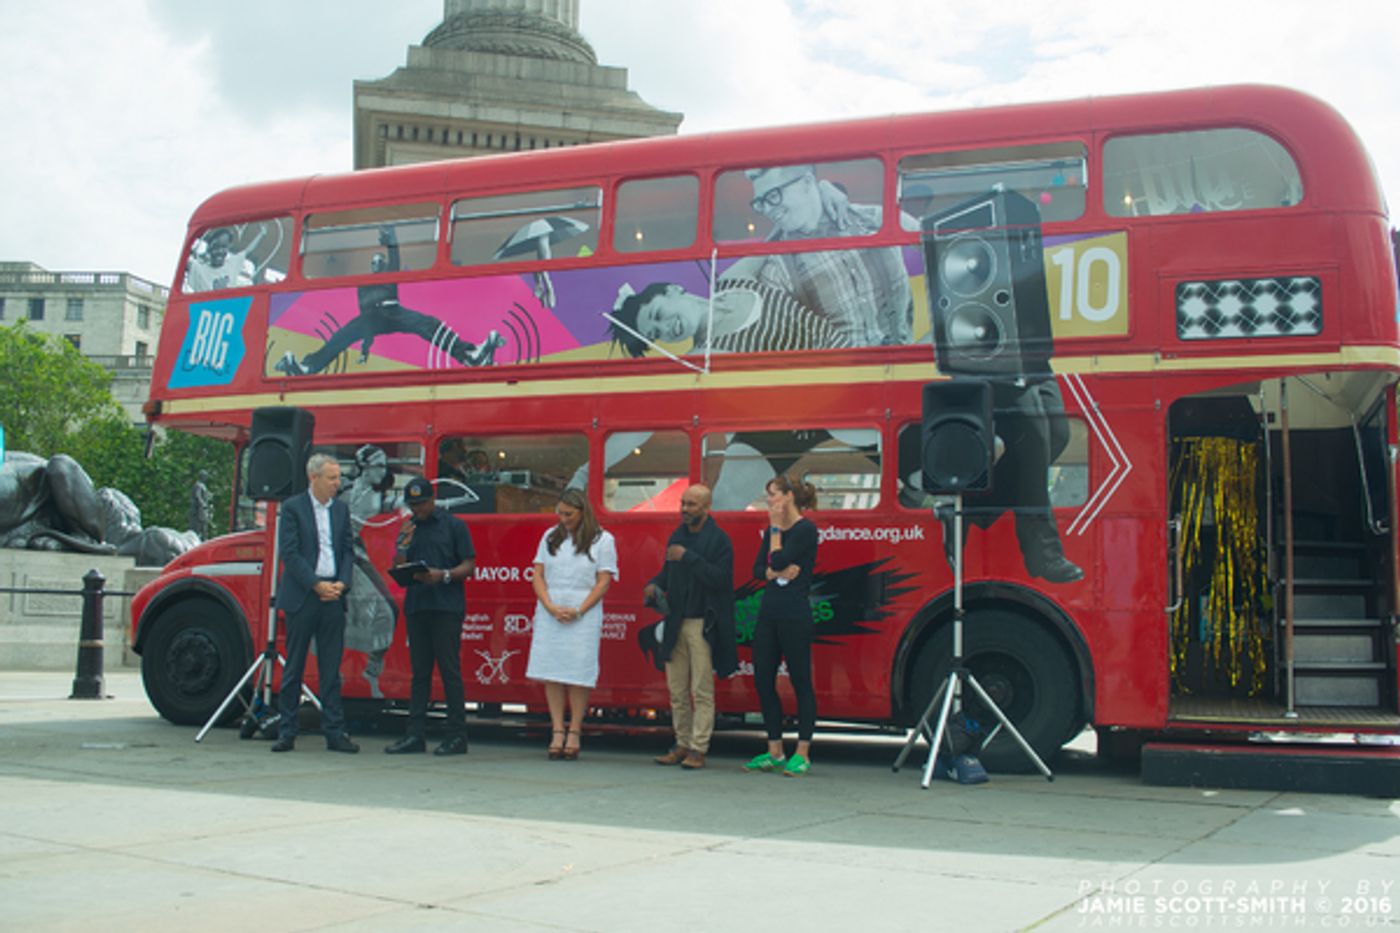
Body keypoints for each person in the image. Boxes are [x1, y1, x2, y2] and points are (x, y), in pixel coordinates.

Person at [720, 164, 912, 347]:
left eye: (773, 195)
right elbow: (729, 285)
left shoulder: (873, 220)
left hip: (905, 372)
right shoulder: (778, 270)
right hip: (846, 378)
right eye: (760, 202)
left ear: (807, 182)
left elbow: (937, 248)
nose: (768, 210)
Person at [275, 226, 505, 376]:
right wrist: (366, 346)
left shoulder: (389, 275)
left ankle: (468, 354)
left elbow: (395, 258)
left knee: (429, 324)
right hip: (371, 318)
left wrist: (391, 241)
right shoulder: (363, 285)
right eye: (374, 262)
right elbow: (362, 310)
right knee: (341, 337)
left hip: (393, 311)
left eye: (379, 261)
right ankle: (309, 366)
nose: (377, 264)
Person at [644, 484, 737, 770]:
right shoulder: (677, 535)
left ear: (706, 508)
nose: (685, 509)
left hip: (702, 624)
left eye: (692, 504)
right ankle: (682, 743)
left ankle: (699, 748)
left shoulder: (719, 541)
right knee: (677, 690)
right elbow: (668, 572)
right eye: (683, 503)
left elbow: (720, 580)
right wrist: (655, 585)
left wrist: (688, 557)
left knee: (702, 690)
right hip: (676, 621)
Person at [271, 453, 359, 753]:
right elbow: (291, 553)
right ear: (314, 478)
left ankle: (335, 732)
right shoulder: (294, 508)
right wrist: (316, 584)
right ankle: (287, 731)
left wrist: (341, 583)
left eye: (338, 478)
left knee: (331, 668)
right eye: (332, 478)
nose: (337, 484)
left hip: (333, 595)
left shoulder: (341, 510)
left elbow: (348, 550)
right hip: (304, 595)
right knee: (294, 665)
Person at [384, 476, 477, 756]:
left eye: (421, 504)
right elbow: (398, 567)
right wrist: (402, 546)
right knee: (420, 673)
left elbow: (469, 565)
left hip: (446, 606)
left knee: (449, 671)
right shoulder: (409, 527)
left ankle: (457, 735)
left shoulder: (454, 526)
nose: (417, 510)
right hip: (418, 605)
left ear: (432, 500)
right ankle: (415, 735)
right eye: (413, 505)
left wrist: (444, 575)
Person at [525, 488, 618, 761]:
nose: (563, 518)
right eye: (560, 513)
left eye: (568, 514)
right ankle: (556, 729)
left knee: (578, 671)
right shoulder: (550, 537)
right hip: (550, 609)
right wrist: (550, 605)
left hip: (583, 612)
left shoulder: (603, 540)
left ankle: (575, 730)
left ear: (582, 512)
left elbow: (603, 581)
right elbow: (538, 575)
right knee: (552, 670)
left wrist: (580, 610)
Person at [745, 473, 820, 777]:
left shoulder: (805, 529)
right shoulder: (769, 533)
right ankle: (774, 748)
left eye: (774, 495)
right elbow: (758, 568)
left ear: (788, 496)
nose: (770, 502)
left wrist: (775, 530)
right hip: (769, 610)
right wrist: (775, 573)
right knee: (763, 678)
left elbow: (775, 560)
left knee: (801, 679)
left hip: (795, 613)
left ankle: (802, 751)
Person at [607, 279, 852, 358]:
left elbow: (779, 238)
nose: (666, 330)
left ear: (672, 289)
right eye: (656, 334)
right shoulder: (704, 356)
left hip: (860, 348)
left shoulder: (733, 279)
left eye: (657, 316)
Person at [340, 445, 400, 697]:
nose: (383, 472)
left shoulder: (373, 497)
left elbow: (396, 503)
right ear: (365, 468)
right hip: (341, 557)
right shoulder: (344, 491)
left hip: (357, 555)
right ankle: (335, 671)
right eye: (379, 466)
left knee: (389, 609)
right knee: (336, 613)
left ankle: (371, 671)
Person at [184, 226, 267, 293]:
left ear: (228, 248)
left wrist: (261, 234)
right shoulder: (199, 269)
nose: (219, 251)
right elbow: (185, 262)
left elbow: (248, 250)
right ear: (209, 249)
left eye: (224, 247)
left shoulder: (232, 263)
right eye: (216, 247)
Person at [187, 470, 212, 541]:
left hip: (203, 510)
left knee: (204, 525)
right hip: (199, 510)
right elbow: (198, 496)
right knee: (200, 525)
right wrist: (203, 504)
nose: (206, 478)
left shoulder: (203, 485)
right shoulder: (198, 485)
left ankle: (204, 538)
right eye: (205, 476)